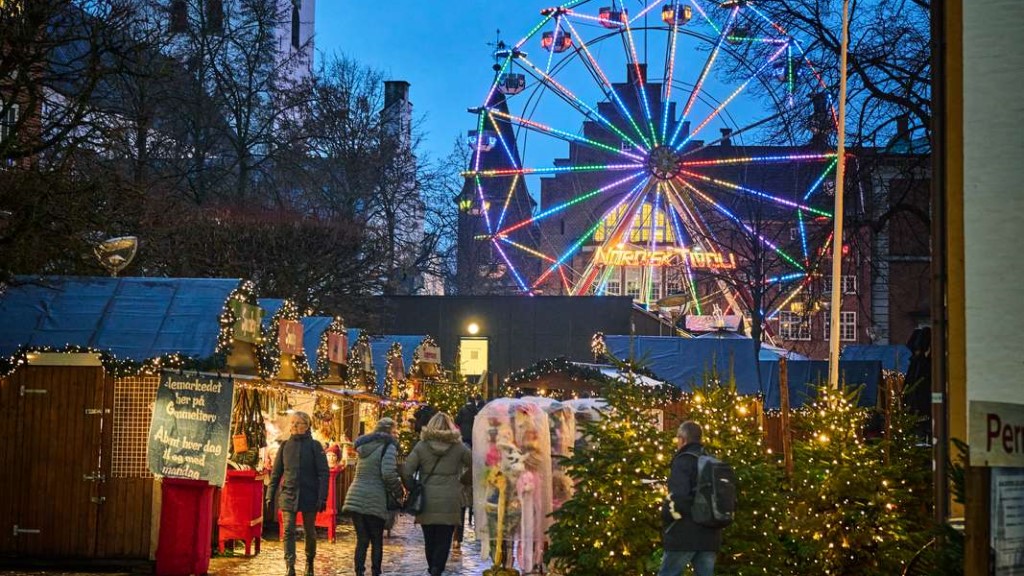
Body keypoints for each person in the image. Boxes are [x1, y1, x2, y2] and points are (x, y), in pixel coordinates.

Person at [401, 412, 472, 576]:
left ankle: (432, 567)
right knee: (444, 539)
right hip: (450, 499)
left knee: (429, 539)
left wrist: (413, 487)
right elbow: (474, 466)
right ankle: (437, 569)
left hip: (426, 499)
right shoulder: (459, 448)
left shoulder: (422, 446)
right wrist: (463, 481)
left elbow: (406, 471)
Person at [267, 412, 329, 576]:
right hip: (289, 494)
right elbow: (276, 473)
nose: (294, 426)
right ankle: (290, 565)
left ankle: (309, 562)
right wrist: (270, 494)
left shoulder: (315, 446)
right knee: (288, 530)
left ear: (306, 426)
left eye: (298, 423)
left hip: (309, 494)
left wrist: (322, 497)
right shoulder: (285, 446)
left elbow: (323, 473)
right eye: (292, 422)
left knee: (310, 531)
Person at [659, 421, 722, 576]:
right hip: (710, 535)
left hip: (684, 534)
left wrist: (666, 516)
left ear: (683, 439)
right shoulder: (711, 461)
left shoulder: (683, 461)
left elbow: (678, 497)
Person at [342, 417, 403, 576]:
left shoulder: (364, 445)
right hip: (375, 497)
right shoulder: (388, 446)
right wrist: (399, 492)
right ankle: (376, 572)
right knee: (376, 540)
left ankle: (359, 572)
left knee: (362, 539)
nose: (396, 434)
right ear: (389, 431)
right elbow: (388, 473)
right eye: (395, 431)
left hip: (356, 494)